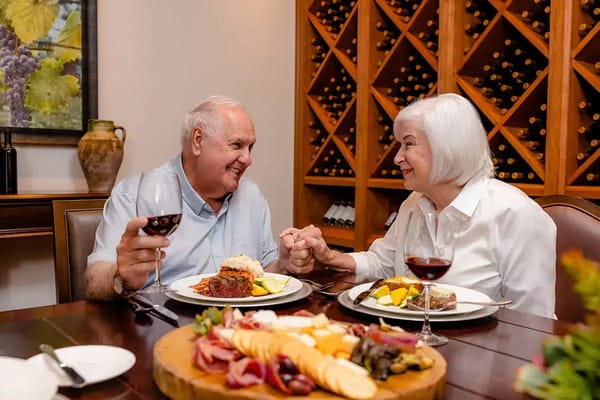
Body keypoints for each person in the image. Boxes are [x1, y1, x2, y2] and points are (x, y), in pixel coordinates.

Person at [289, 93, 556, 318]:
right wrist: (329, 257)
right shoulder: (415, 204)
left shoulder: (516, 215)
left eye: (408, 144)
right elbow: (383, 263)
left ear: (446, 148)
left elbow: (533, 322)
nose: (397, 158)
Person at [85, 95, 298, 299]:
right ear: (198, 140)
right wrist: (120, 275)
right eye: (236, 145)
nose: (248, 159)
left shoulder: (252, 196)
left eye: (250, 148)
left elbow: (265, 273)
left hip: (239, 327)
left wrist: (284, 264)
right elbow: (93, 280)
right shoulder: (132, 195)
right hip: (163, 327)